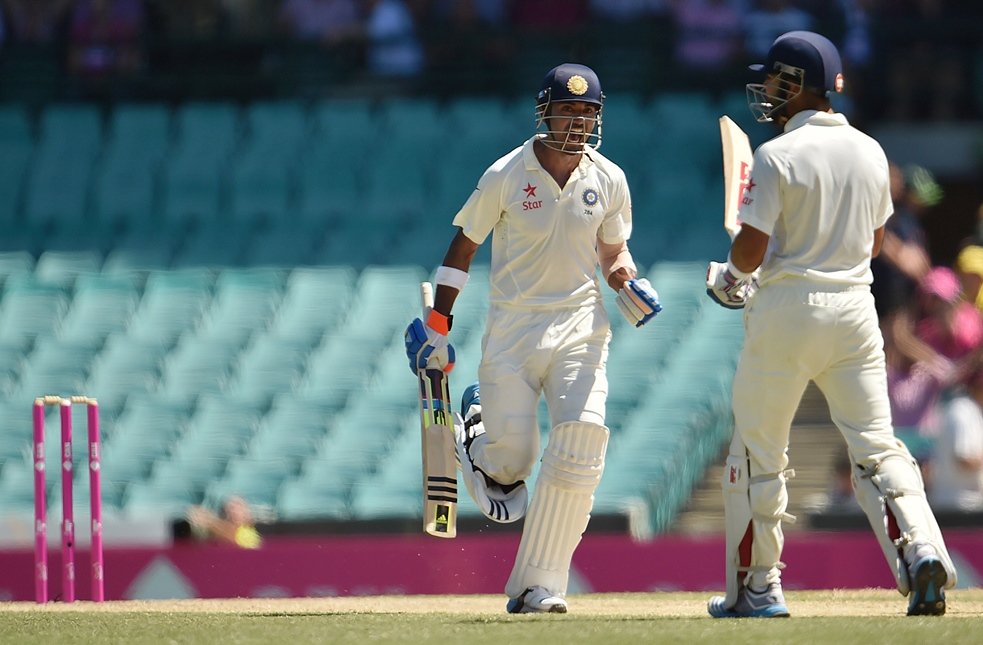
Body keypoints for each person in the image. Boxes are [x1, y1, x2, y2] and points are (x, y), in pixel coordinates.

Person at [704, 31, 957, 618]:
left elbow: (750, 252)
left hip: (788, 310)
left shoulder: (776, 155)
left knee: (757, 451)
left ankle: (757, 588)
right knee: (876, 446)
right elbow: (873, 243)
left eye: (773, 79)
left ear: (795, 84)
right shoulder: (872, 152)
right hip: (855, 313)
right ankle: (921, 549)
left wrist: (728, 279)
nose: (765, 89)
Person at [404, 63, 662, 614]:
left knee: (583, 441)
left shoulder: (609, 178)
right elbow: (463, 248)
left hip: (581, 328)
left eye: (587, 113)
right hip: (514, 332)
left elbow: (613, 252)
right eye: (567, 111)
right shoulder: (506, 173)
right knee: (512, 471)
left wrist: (628, 283)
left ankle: (538, 586)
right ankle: (478, 440)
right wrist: (437, 328)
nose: (577, 123)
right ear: (544, 111)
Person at [931, 365, 983, 512]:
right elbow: (964, 459)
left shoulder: (969, 410)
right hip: (958, 505)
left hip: (963, 503)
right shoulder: (963, 412)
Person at [186, 495, 263, 549]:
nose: (234, 511)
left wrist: (209, 521)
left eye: (238, 506)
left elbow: (234, 537)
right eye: (231, 508)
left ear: (247, 509)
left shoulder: (252, 531)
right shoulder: (220, 530)